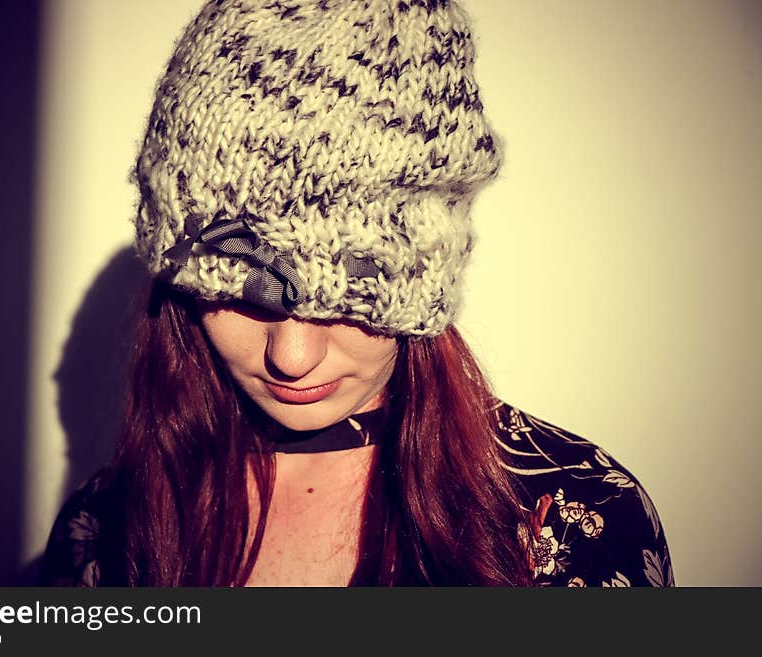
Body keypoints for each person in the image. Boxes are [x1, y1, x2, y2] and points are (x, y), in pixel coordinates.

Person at [38, 0, 673, 587]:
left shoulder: (577, 517)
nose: (290, 356)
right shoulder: (105, 532)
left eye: (349, 297)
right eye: (241, 294)